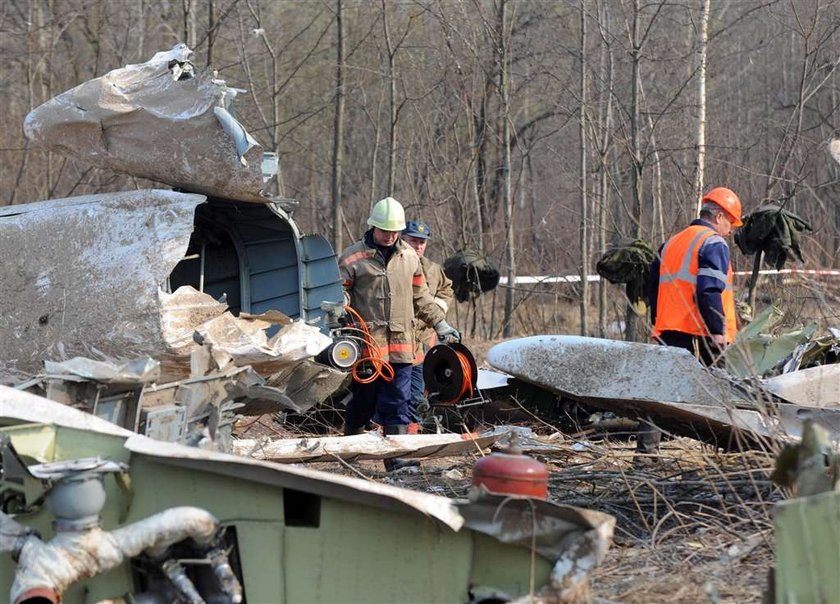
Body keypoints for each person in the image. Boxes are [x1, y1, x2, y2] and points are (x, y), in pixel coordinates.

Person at [337, 197, 460, 471]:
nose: (390, 236)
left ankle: (397, 461)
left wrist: (441, 324)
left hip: (402, 349)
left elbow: (422, 297)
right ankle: (351, 458)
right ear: (372, 227)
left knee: (398, 404)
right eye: (385, 231)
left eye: (394, 232)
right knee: (362, 403)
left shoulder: (410, 258)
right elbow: (338, 295)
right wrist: (339, 306)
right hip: (368, 348)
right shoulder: (352, 258)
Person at [636, 186, 743, 458]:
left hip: (670, 326)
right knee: (723, 391)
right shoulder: (713, 242)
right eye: (730, 221)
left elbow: (653, 290)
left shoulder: (671, 242)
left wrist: (657, 322)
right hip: (706, 329)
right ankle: (729, 454)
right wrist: (718, 330)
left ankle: (646, 457)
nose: (730, 229)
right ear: (718, 216)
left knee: (660, 392)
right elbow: (708, 289)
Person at [401, 220, 455, 425]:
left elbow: (447, 289)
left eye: (422, 242)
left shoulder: (432, 269)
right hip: (393, 340)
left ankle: (412, 439)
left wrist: (439, 308)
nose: (419, 246)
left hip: (422, 341)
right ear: (402, 239)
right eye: (414, 240)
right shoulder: (394, 266)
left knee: (416, 396)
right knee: (394, 394)